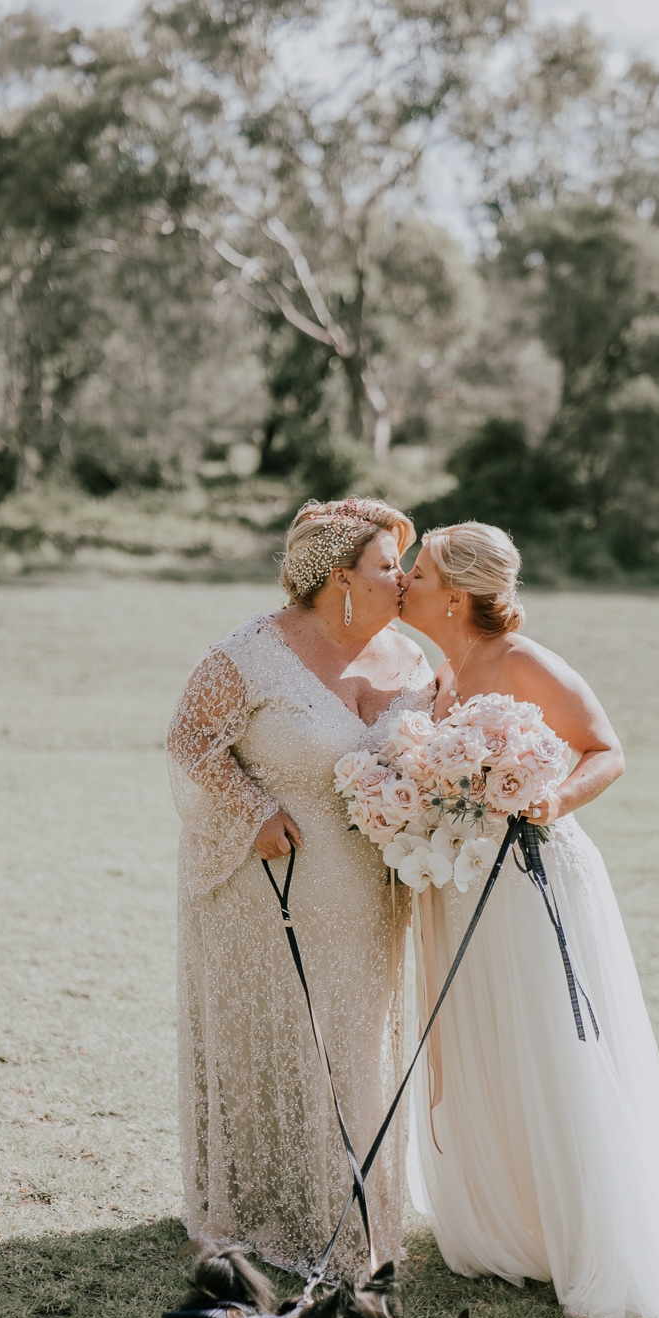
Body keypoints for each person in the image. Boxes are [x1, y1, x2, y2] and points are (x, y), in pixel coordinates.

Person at [397, 522, 659, 1318]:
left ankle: (587, 1230)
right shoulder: (441, 673)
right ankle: (510, 1223)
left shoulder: (524, 664)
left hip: (531, 879)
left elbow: (605, 749)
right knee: (482, 1041)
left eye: (418, 571)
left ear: (457, 596)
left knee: (545, 1043)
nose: (404, 580)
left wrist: (552, 797)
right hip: (457, 881)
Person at [167, 497, 433, 1273]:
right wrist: (253, 811)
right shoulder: (252, 653)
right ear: (340, 579)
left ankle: (347, 1206)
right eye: (389, 567)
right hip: (263, 888)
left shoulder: (409, 659)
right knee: (269, 1041)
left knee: (351, 1049)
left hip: (369, 894)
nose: (404, 580)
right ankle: (258, 1209)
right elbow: (190, 740)